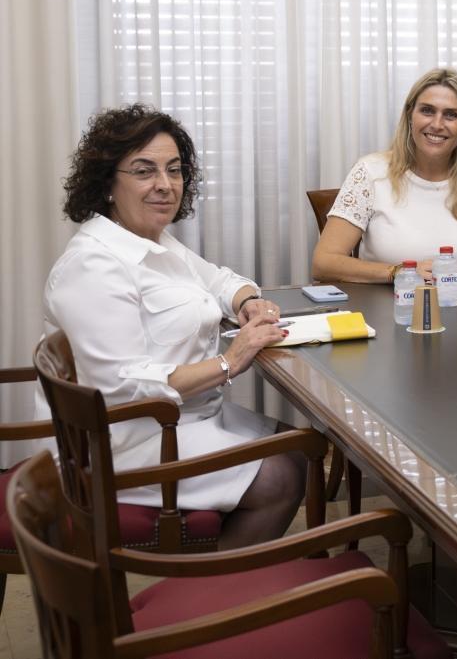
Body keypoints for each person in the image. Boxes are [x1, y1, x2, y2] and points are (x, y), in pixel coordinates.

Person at [41, 104, 301, 548]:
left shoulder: (152, 241)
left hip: (179, 419)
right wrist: (228, 362)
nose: (165, 185)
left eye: (174, 170)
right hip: (126, 440)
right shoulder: (94, 265)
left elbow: (217, 280)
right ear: (107, 183)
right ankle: (211, 604)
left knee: (297, 448)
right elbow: (123, 389)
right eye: (144, 171)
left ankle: (223, 584)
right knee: (280, 476)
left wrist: (249, 301)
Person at [312, 68, 457, 284]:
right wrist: (398, 272)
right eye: (427, 111)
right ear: (410, 116)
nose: (437, 124)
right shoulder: (371, 172)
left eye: (451, 115)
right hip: (391, 312)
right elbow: (324, 263)